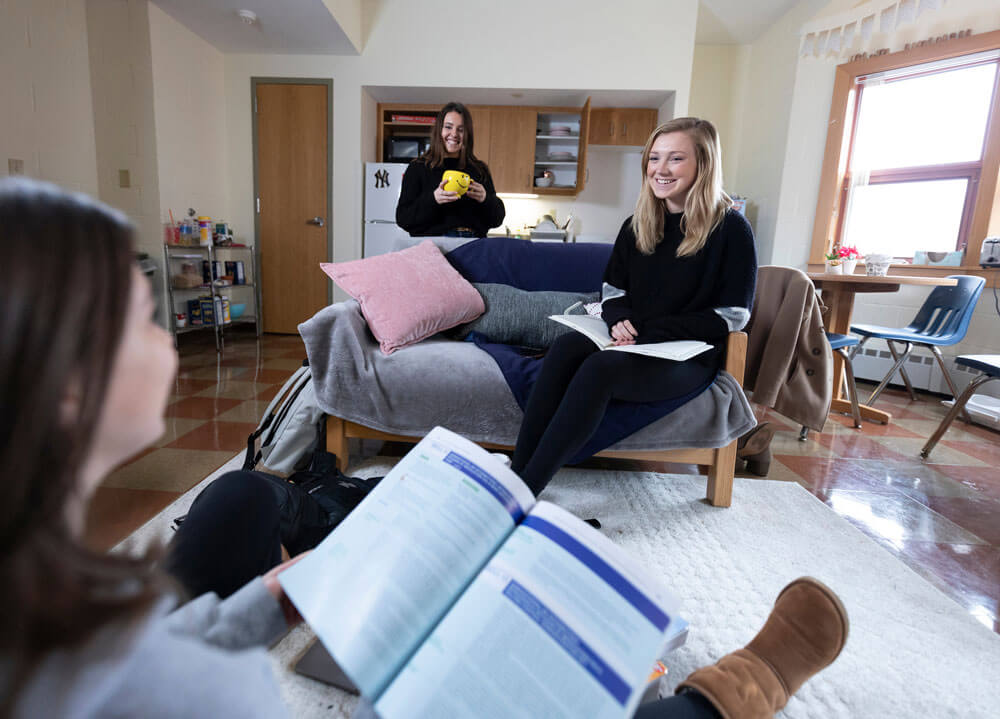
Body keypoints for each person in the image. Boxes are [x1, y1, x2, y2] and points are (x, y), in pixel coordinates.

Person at [0, 179, 845, 719]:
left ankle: (340, 516)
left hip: (171, 618)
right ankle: (728, 694)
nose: (164, 326)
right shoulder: (163, 694)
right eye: (139, 313)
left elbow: (154, 654)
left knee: (244, 495)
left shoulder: (52, 610)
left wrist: (273, 598)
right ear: (66, 387)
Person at [511, 117, 758, 496]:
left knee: (601, 369)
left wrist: (647, 330)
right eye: (654, 158)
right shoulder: (637, 224)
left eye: (675, 159)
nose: (660, 169)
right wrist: (619, 318)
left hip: (687, 355)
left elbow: (733, 316)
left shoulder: (731, 230)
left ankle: (527, 490)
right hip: (638, 342)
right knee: (564, 349)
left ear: (703, 165)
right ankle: (516, 471)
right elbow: (612, 289)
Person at [395, 101, 505, 237]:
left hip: (472, 246)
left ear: (467, 134)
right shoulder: (418, 168)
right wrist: (433, 199)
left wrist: (485, 199)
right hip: (434, 247)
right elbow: (403, 219)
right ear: (439, 130)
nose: (454, 134)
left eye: (461, 129)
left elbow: (497, 219)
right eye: (448, 127)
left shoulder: (479, 169)